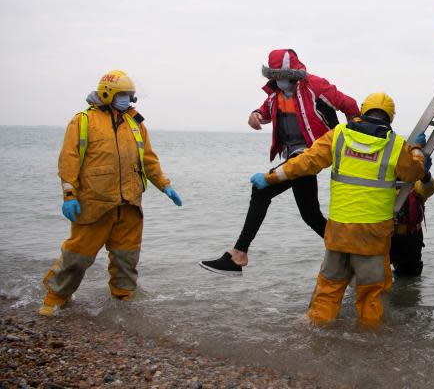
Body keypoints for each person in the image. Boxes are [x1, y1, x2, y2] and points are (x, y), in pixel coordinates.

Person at [249, 93, 425, 327]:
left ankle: (316, 335)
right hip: (372, 235)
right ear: (390, 117)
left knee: (329, 287)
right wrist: (416, 151)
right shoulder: (396, 145)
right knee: (371, 294)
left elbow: (305, 162)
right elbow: (414, 174)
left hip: (338, 230)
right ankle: (371, 345)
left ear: (362, 111)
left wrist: (270, 177)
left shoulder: (338, 135)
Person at [200, 49, 360, 275]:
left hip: (313, 152)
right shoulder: (275, 95)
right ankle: (349, 255)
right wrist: (254, 116)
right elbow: (263, 113)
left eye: (283, 75)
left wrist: (354, 137)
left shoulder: (316, 86)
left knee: (261, 189)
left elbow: (349, 105)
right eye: (275, 75)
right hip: (293, 156)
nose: (279, 80)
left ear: (294, 73)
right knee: (310, 214)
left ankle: (238, 255)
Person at [40, 71, 181, 316]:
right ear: (108, 93)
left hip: (129, 204)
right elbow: (68, 161)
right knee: (77, 256)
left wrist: (165, 185)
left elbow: (149, 160)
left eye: (129, 95)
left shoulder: (135, 123)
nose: (128, 99)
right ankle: (55, 297)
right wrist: (69, 195)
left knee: (127, 258)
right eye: (123, 95)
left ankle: (124, 301)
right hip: (95, 204)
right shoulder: (83, 121)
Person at [390, 172, 434, 277]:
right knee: (372, 276)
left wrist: (425, 174)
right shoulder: (379, 182)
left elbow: (432, 187)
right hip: (383, 236)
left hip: (410, 238)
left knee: (410, 276)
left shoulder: (415, 183)